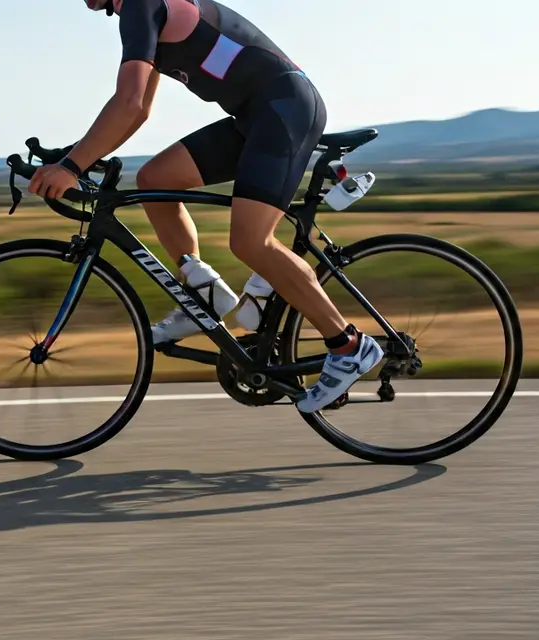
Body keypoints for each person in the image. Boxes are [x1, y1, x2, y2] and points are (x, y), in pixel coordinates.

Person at [26, 0, 383, 412]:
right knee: (155, 180)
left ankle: (348, 345)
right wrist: (71, 158)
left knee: (251, 242)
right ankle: (202, 293)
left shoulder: (141, 6)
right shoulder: (142, 13)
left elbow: (128, 104)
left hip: (283, 111)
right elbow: (138, 108)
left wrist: (72, 166)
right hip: (256, 116)